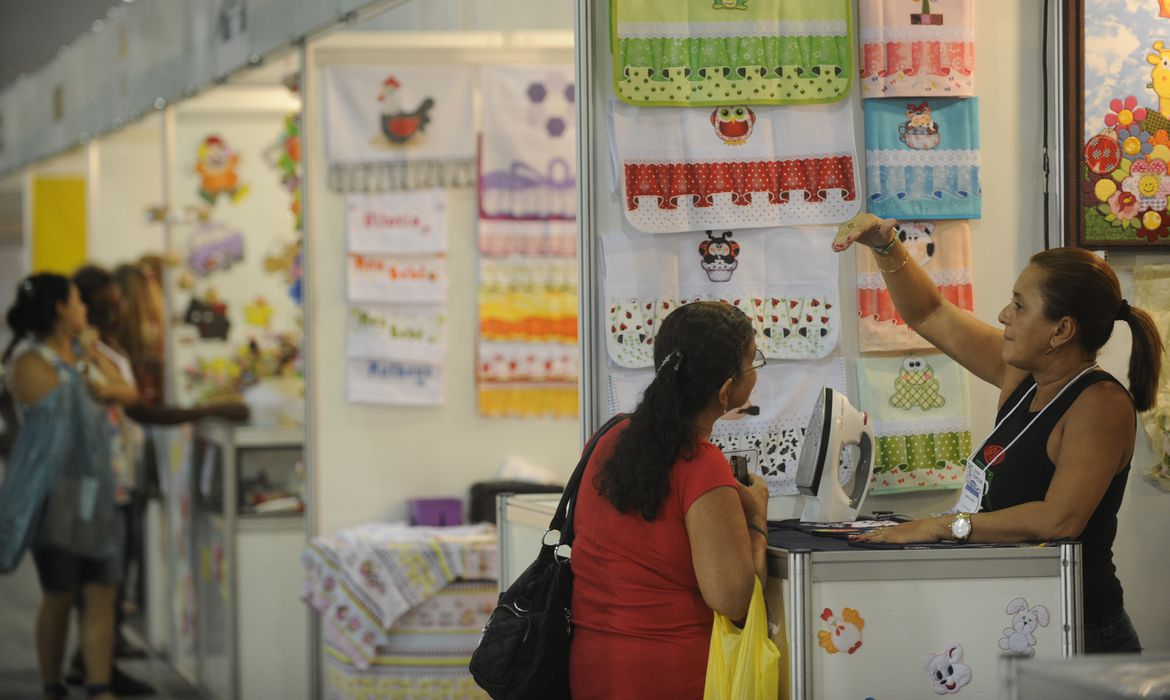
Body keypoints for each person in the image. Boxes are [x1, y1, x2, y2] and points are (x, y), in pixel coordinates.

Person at [833, 212, 1163, 654]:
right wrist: (886, 244)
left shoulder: (1099, 405)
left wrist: (940, 526)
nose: (1004, 315)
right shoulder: (1023, 374)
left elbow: (1058, 519)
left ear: (1061, 330)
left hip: (1081, 632)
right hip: (1021, 616)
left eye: (1020, 305)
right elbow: (930, 312)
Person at [570, 301, 770, 699]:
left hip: (591, 669)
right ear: (727, 390)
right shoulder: (701, 465)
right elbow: (733, 600)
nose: (755, 371)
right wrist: (757, 520)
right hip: (669, 676)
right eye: (753, 362)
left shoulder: (608, 439)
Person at [1, 274, 122, 700]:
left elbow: (121, 389)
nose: (84, 309)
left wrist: (91, 356)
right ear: (59, 309)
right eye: (77, 302)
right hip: (55, 496)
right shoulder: (27, 361)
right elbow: (63, 405)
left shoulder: (82, 352)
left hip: (97, 489)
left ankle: (99, 685)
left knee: (102, 588)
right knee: (60, 593)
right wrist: (88, 370)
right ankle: (53, 685)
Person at [71, 265, 155, 695]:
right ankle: (93, 667)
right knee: (104, 577)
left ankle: (95, 660)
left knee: (115, 572)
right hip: (100, 477)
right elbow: (119, 393)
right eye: (109, 301)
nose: (118, 308)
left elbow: (127, 391)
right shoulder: (78, 351)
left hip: (119, 469)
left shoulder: (100, 346)